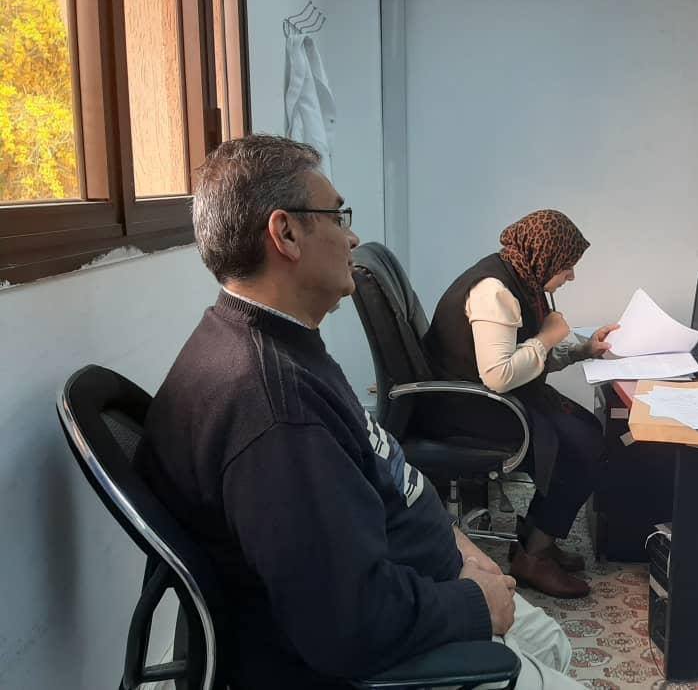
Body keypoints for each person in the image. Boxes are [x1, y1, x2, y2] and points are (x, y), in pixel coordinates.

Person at [137, 135, 581, 689]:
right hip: (386, 641)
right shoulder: (275, 411)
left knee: (554, 643)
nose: (352, 237)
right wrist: (472, 602)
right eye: (337, 216)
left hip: (428, 569)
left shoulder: (277, 341)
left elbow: (381, 470)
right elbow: (346, 623)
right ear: (286, 233)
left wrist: (457, 544)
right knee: (552, 663)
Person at [421, 209, 617, 599]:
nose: (571, 276)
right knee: (580, 447)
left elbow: (524, 357)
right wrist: (547, 337)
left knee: (589, 432)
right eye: (567, 266)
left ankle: (534, 536)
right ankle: (534, 557)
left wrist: (582, 350)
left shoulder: (522, 279)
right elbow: (499, 374)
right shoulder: (493, 292)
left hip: (497, 399)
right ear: (544, 257)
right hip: (471, 409)